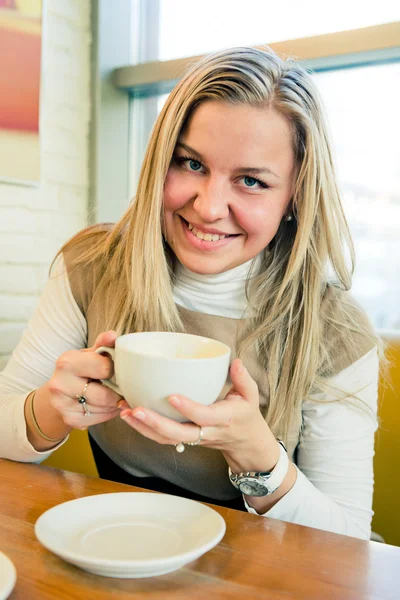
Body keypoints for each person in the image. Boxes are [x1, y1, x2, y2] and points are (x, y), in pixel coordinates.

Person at [0, 46, 381, 540]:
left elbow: (352, 545)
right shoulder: (94, 267)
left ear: (294, 199)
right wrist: (50, 410)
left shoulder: (334, 329)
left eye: (250, 181)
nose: (207, 207)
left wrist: (257, 455)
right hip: (117, 546)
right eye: (191, 164)